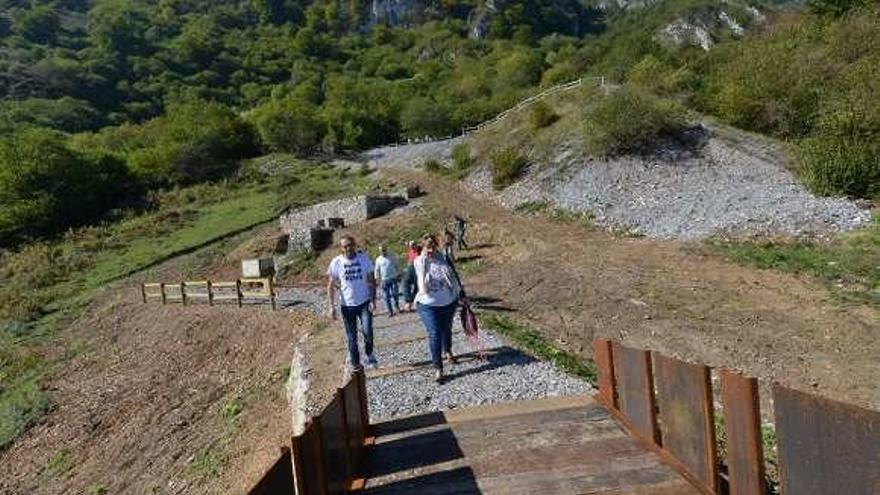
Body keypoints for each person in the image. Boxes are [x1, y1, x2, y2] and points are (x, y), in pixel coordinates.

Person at [414, 233, 462, 382]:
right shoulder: (418, 262)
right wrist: (408, 299)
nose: (430, 250)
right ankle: (438, 368)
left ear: (436, 246)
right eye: (427, 247)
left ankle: (447, 350)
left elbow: (454, 277)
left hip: (448, 302)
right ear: (423, 247)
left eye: (433, 246)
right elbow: (408, 279)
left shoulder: (444, 258)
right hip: (427, 305)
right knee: (435, 333)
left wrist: (462, 294)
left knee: (446, 329)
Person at [327, 235, 378, 371]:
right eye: (345, 246)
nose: (348, 248)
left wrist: (373, 300)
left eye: (350, 245)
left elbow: (372, 281)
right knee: (352, 337)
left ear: (354, 244)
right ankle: (356, 364)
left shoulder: (363, 259)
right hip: (347, 306)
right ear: (341, 248)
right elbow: (330, 285)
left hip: (364, 303)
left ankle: (369, 353)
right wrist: (331, 307)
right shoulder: (336, 262)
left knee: (367, 331)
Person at [374, 245, 400, 317]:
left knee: (395, 294)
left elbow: (396, 265)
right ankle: (390, 311)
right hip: (384, 280)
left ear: (386, 249)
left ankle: (397, 307)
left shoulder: (392, 256)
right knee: (386, 296)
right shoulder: (378, 259)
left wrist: (399, 273)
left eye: (384, 250)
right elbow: (377, 270)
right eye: (381, 250)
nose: (382, 251)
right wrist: (377, 279)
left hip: (393, 278)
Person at [402, 244, 421, 312]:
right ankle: (409, 301)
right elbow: (408, 260)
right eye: (411, 245)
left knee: (417, 286)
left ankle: (412, 302)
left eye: (413, 245)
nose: (412, 246)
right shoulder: (410, 252)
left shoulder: (419, 252)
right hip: (410, 267)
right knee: (405, 283)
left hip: (416, 267)